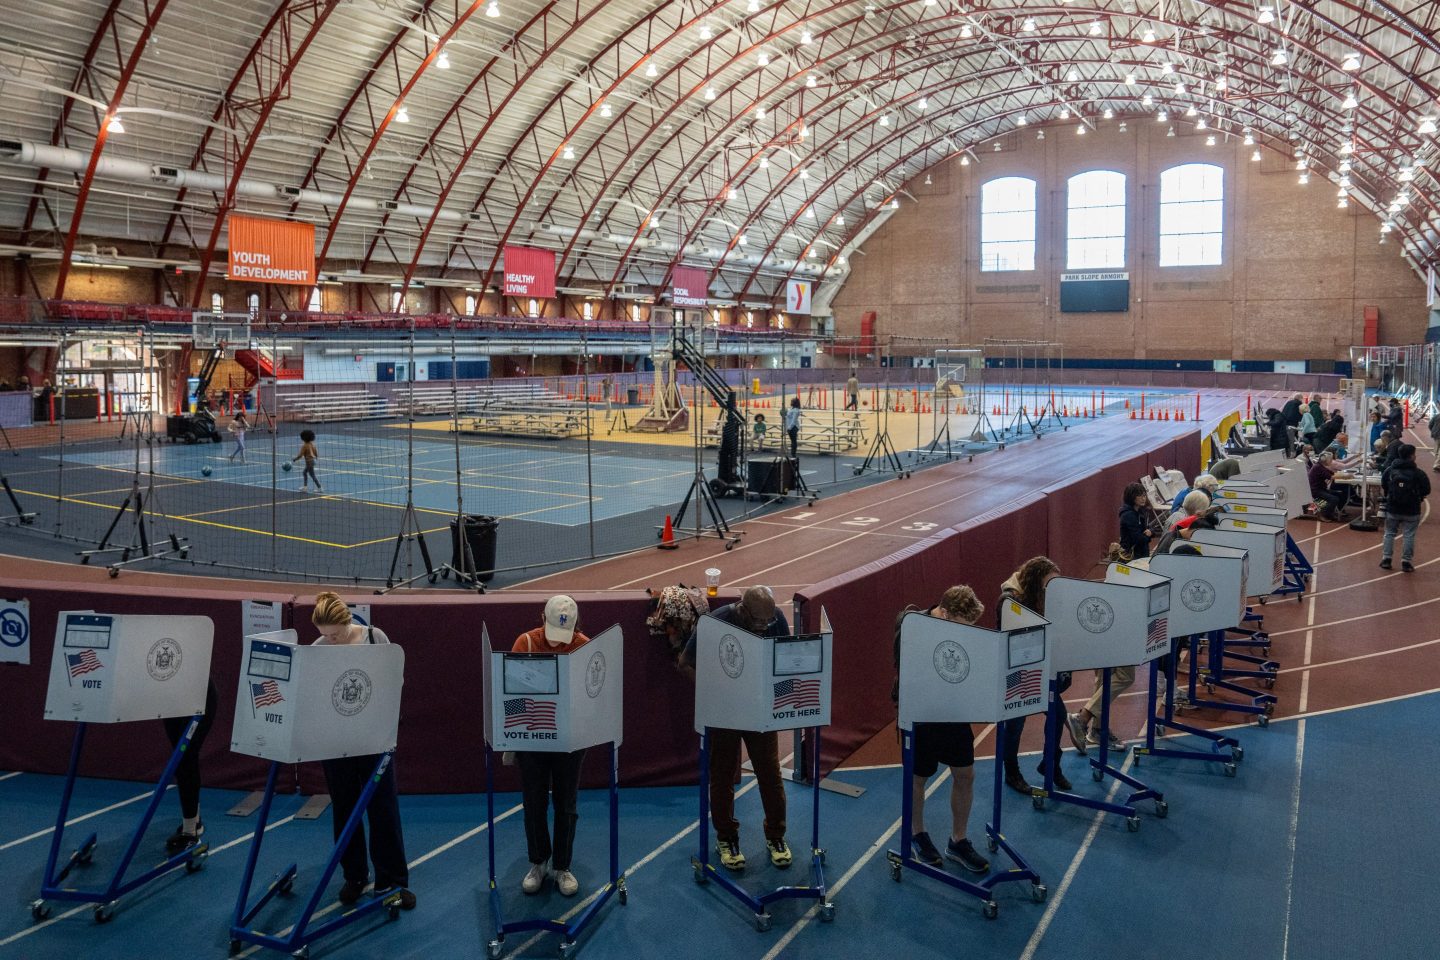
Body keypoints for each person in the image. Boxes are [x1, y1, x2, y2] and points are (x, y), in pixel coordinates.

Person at [310, 593, 415, 909]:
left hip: (373, 740)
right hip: (336, 743)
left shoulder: (374, 637)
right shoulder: (317, 650)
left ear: (348, 623)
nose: (332, 640)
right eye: (326, 635)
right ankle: (354, 876)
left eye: (336, 634)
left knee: (383, 809)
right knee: (344, 809)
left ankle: (393, 880)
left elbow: (394, 679)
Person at [693, 586, 792, 870]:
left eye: (768, 620)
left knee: (770, 774)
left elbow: (784, 663)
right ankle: (726, 838)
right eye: (759, 621)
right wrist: (715, 693)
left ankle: (776, 836)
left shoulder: (776, 619)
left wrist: (779, 701)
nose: (765, 626)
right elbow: (686, 663)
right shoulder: (716, 621)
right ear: (742, 610)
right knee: (722, 776)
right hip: (725, 713)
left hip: (760, 712)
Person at [892, 587, 989, 873]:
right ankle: (917, 833)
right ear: (945, 613)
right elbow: (911, 674)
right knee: (917, 778)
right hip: (921, 714)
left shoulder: (956, 626)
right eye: (965, 625)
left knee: (965, 774)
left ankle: (957, 840)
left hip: (954, 711)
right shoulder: (911, 628)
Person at [513, 596, 591, 897]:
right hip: (533, 738)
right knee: (534, 802)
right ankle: (538, 862)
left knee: (566, 804)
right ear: (541, 618)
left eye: (565, 636)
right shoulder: (526, 644)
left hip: (569, 741)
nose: (559, 643)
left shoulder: (583, 645)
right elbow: (513, 695)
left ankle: (562, 866)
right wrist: (514, 737)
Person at [997, 557, 1069, 794]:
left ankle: (1050, 764)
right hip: (1016, 670)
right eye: (1049, 584)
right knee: (1015, 724)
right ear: (1036, 581)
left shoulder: (1043, 594)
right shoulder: (1009, 601)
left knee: (1058, 713)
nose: (1053, 590)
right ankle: (1012, 772)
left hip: (1041, 666)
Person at [162, 678, 219, 855]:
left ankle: (190, 832)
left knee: (186, 757)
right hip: (171, 699)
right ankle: (195, 821)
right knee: (181, 760)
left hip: (199, 697)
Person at [1379, 444, 1430, 573]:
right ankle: (1406, 562)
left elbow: (1384, 484)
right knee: (1409, 535)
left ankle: (1386, 559)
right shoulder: (1418, 473)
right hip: (1412, 509)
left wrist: (1391, 494)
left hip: (1393, 507)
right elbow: (1427, 489)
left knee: (1389, 533)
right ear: (1412, 456)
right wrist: (1419, 496)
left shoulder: (1390, 470)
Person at [1118, 482, 1155, 561]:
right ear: (1131, 497)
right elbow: (1138, 539)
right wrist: (1148, 535)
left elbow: (1149, 528)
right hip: (1131, 556)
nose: (1143, 498)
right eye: (1139, 496)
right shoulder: (1128, 515)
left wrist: (1151, 531)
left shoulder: (1141, 510)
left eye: (1144, 495)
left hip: (1141, 553)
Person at [1307, 451, 1348, 521]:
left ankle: (1332, 513)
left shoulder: (1320, 466)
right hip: (1316, 490)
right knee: (1334, 499)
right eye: (1330, 460)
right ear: (1325, 460)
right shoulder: (1318, 467)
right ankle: (1322, 514)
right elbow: (1332, 477)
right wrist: (1346, 476)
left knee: (1340, 494)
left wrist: (1344, 475)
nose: (1331, 461)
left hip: (1321, 489)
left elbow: (1333, 474)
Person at [1429, 408, 1440, 472]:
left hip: (1436, 435)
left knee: (1436, 450)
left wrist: (1433, 431)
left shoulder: (1436, 416)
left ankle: (1437, 464)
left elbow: (1430, 425)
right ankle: (1437, 464)